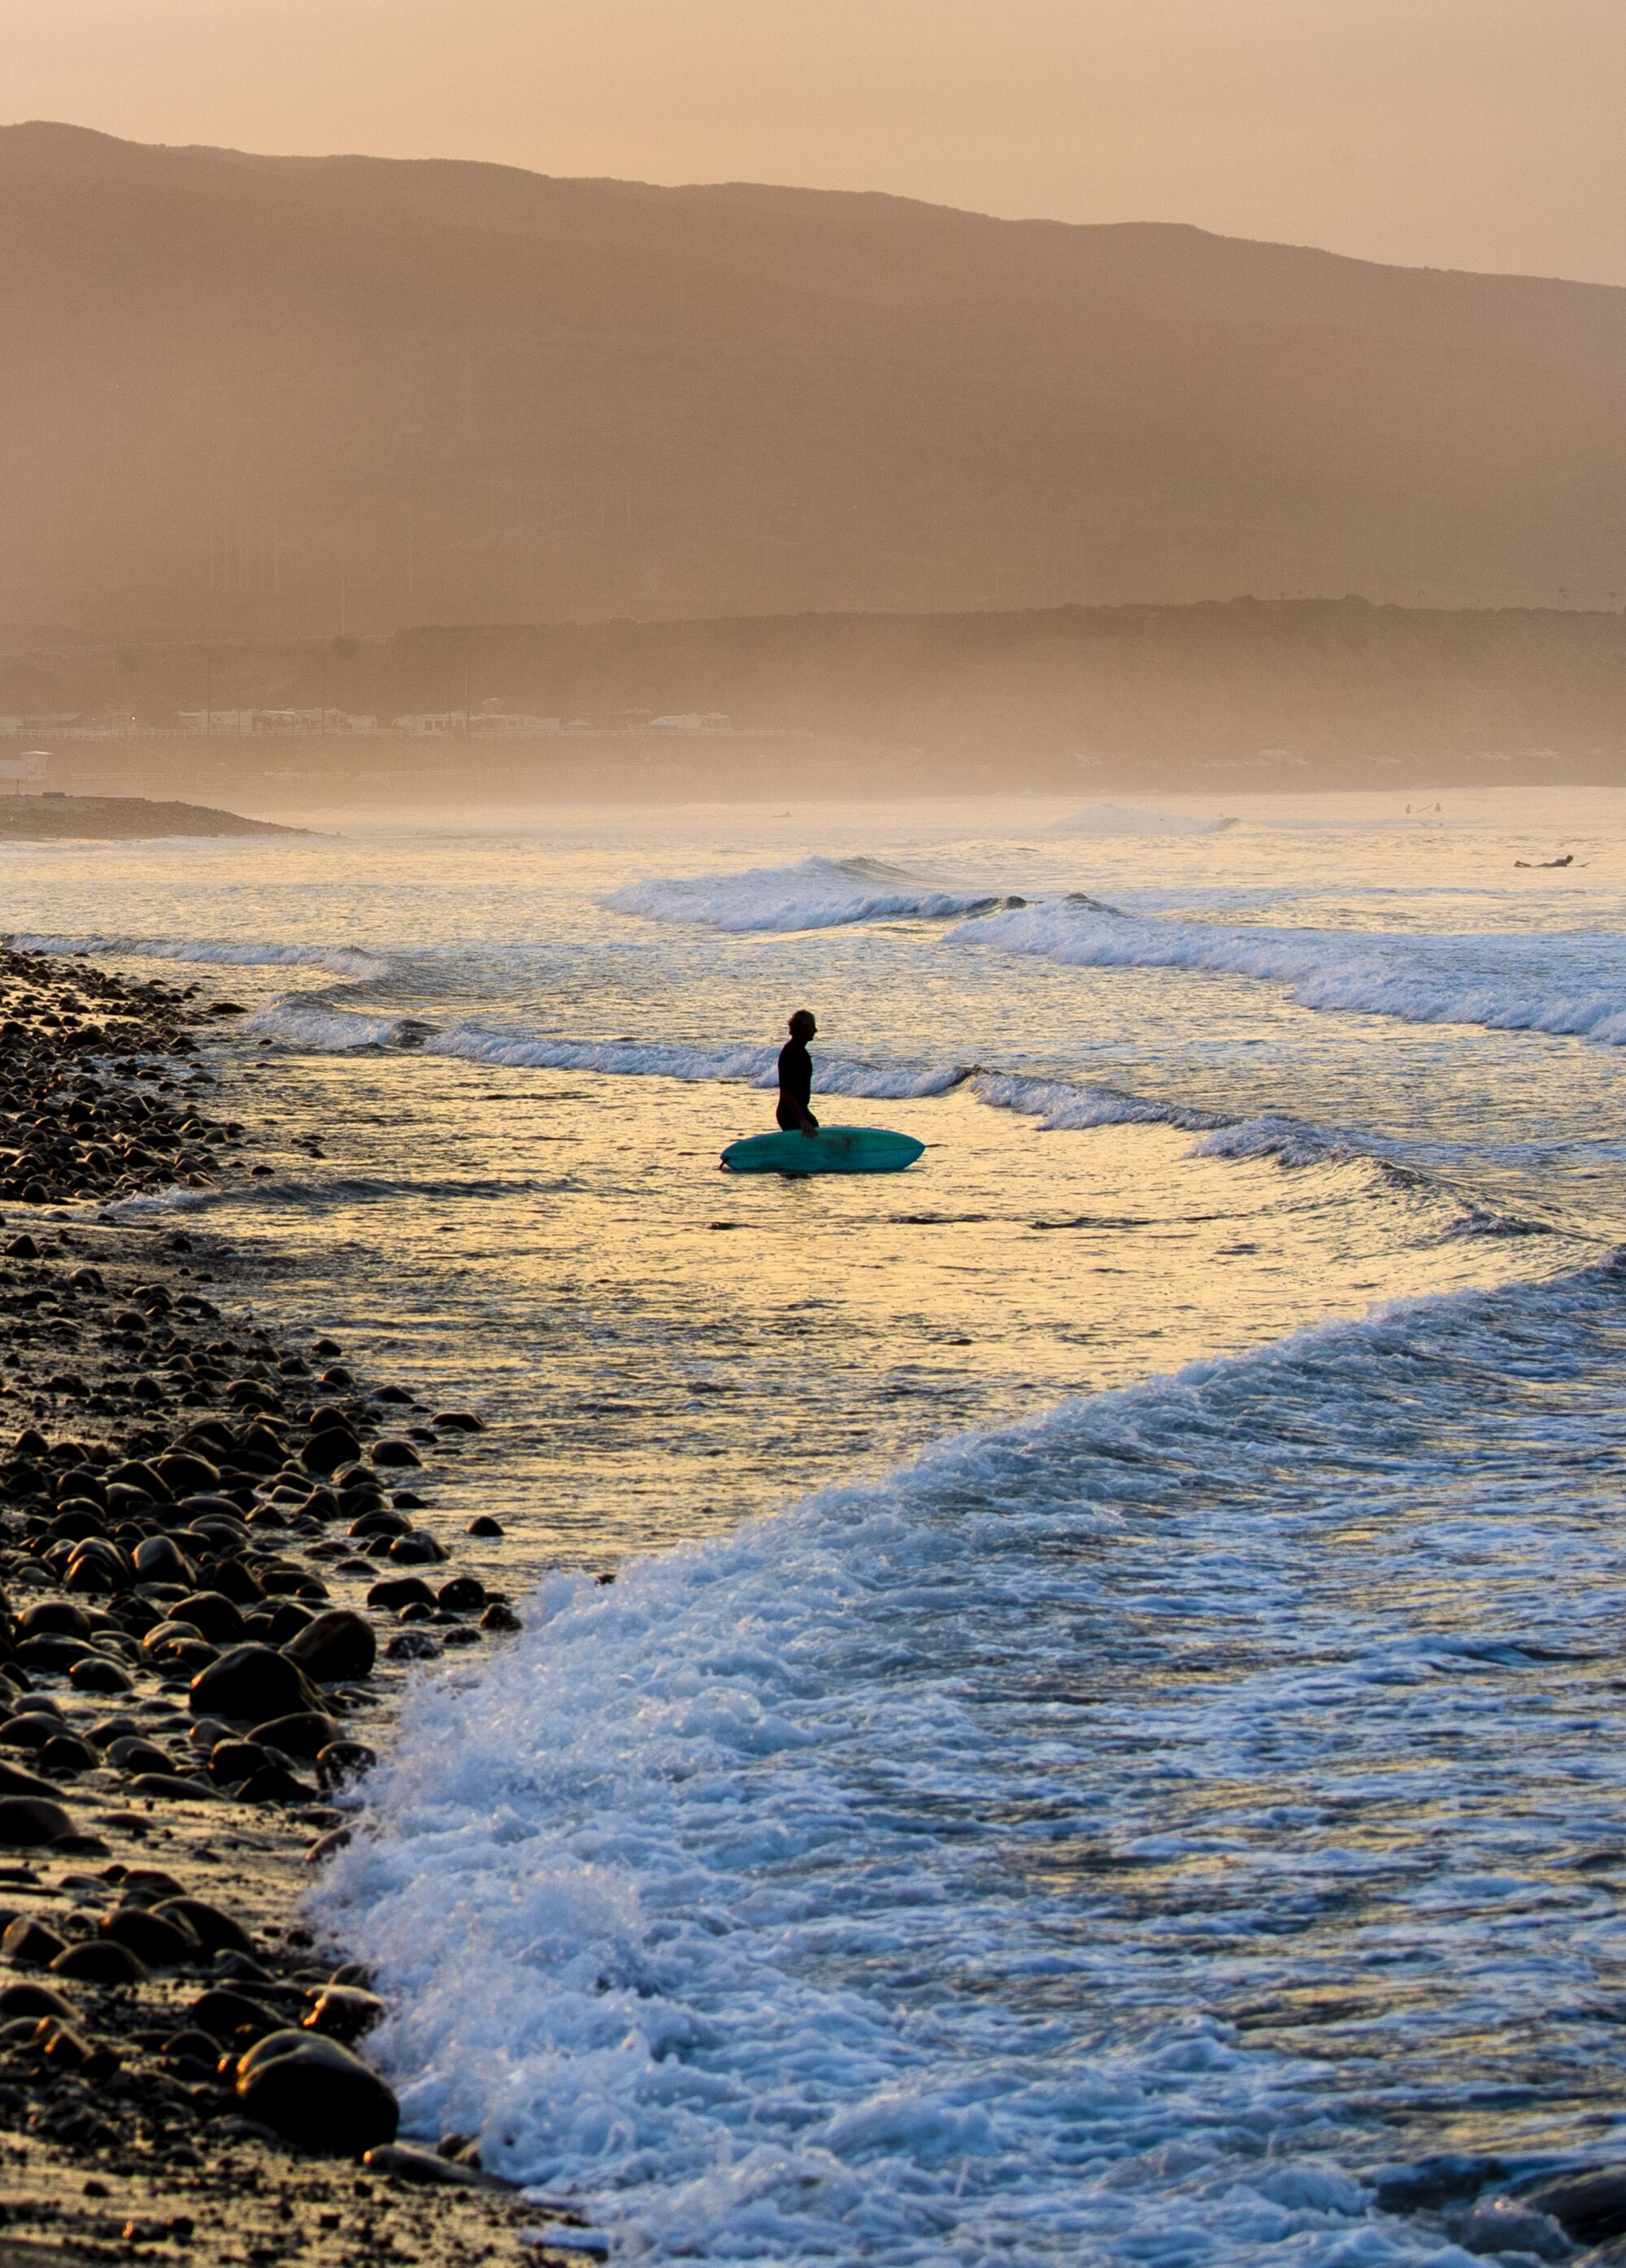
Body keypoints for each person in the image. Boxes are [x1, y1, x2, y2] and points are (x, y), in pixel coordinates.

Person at [776, 1009, 820, 1136]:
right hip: (789, 1114)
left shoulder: (800, 1051)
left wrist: (807, 1114)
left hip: (799, 1110)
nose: (815, 1030)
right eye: (812, 1026)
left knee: (815, 1129)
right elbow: (787, 1091)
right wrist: (802, 1120)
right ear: (803, 1027)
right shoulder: (791, 1052)